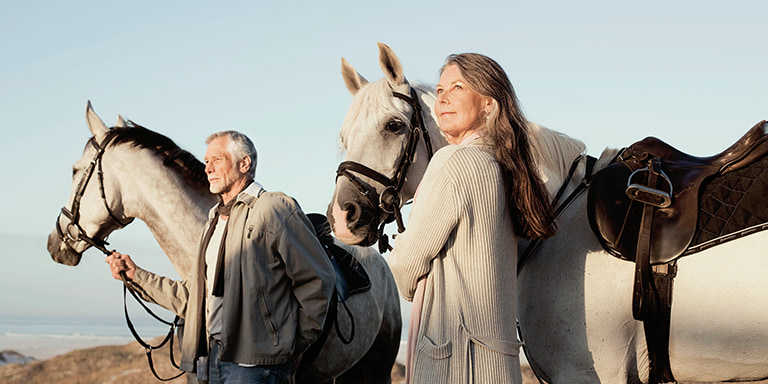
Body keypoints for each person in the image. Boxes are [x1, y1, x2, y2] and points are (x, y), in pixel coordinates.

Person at [105, 131, 335, 384]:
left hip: (256, 366)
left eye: (217, 159)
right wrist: (136, 275)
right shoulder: (213, 221)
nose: (208, 168)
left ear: (244, 164)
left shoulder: (273, 209)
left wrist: (287, 345)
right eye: (206, 161)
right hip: (212, 360)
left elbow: (317, 280)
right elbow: (193, 298)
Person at [388, 53, 556, 383]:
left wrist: (404, 261)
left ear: (488, 104)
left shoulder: (452, 162)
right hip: (500, 363)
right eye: (439, 90)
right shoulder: (506, 169)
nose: (443, 98)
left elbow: (406, 264)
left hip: (453, 364)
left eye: (458, 87)